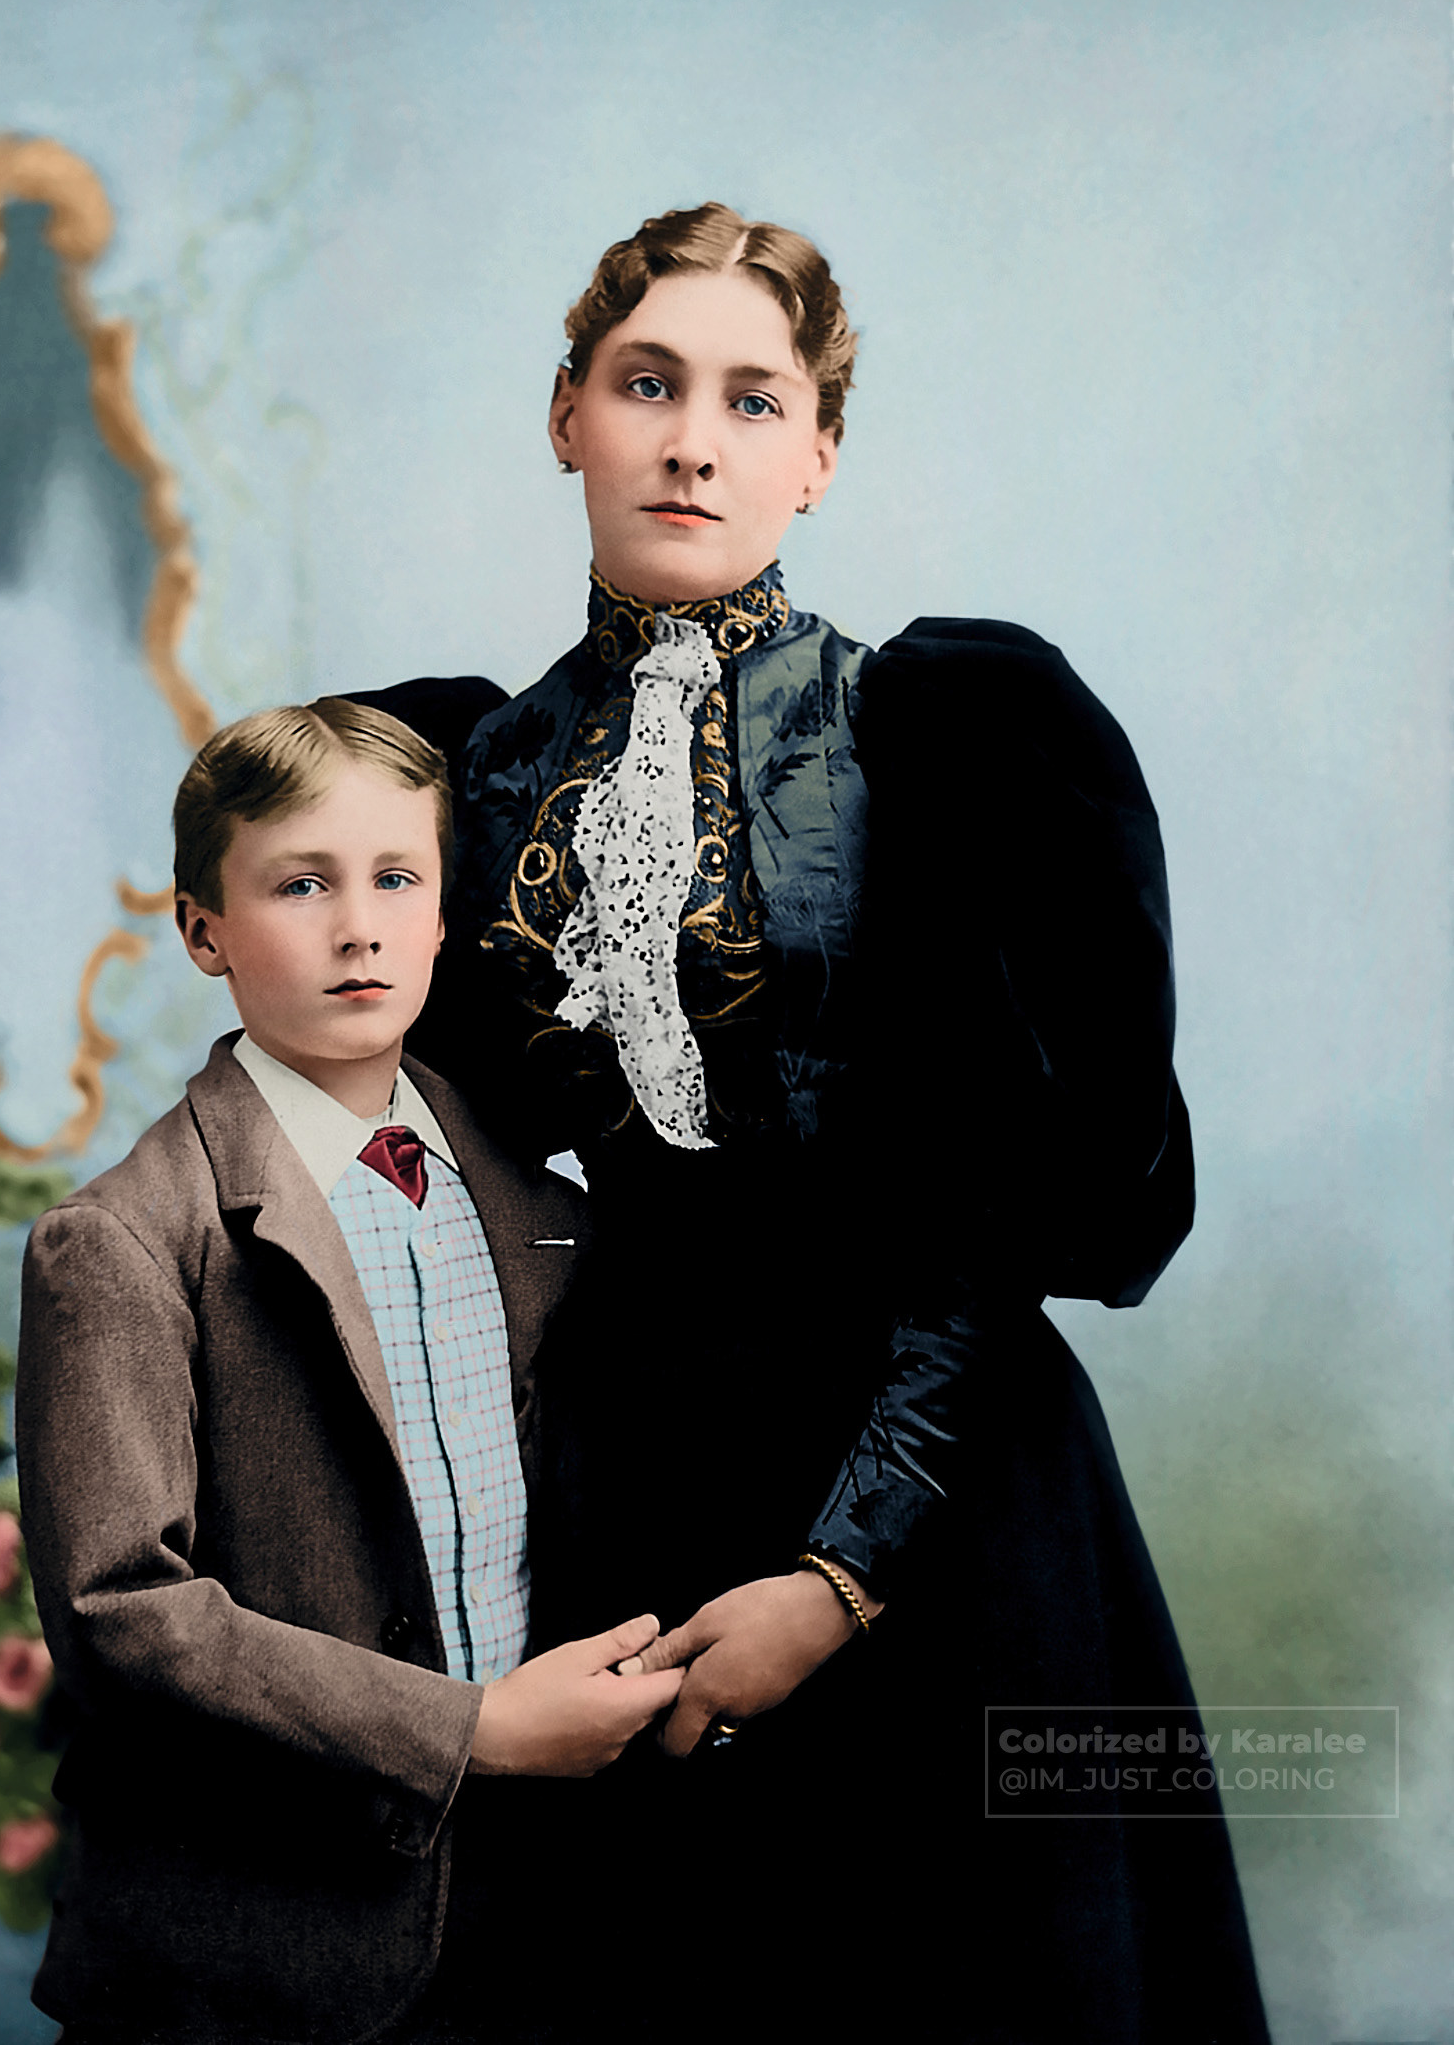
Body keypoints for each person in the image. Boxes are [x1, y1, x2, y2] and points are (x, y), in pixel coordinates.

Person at [388, 204, 1273, 2042]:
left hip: (931, 1467)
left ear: (818, 456)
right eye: (646, 385)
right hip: (627, 1482)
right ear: (568, 417)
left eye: (749, 397)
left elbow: (1012, 1210)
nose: (690, 440)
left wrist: (839, 1573)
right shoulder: (463, 778)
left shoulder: (938, 728)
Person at [15, 699, 682, 2045]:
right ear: (203, 929)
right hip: (259, 1951)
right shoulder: (129, 1241)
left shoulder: (544, 1209)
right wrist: (469, 1733)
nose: (358, 926)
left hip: (536, 1911)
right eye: (298, 884)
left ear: (446, 914)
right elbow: (122, 1614)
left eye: (395, 878)